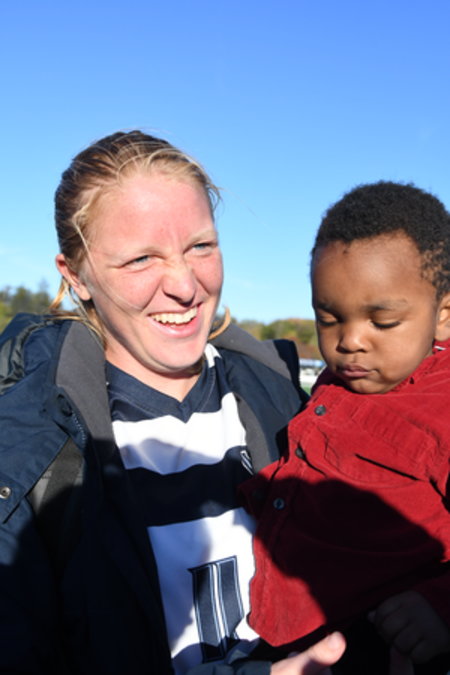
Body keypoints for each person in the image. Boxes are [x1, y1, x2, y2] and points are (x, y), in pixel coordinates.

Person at [0, 130, 346, 674]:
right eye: (141, 259)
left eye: (200, 247)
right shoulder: (30, 450)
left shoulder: (283, 396)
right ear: (76, 276)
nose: (185, 286)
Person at [241, 181, 450, 674]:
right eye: (329, 317)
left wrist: (442, 605)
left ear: (443, 316)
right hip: (279, 644)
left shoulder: (441, 406)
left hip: (377, 649)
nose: (350, 340)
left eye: (383, 321)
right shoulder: (339, 381)